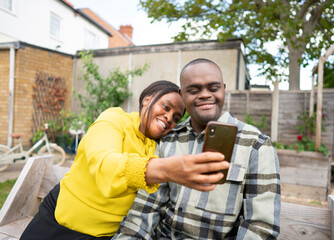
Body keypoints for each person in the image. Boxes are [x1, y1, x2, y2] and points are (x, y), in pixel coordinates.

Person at [20, 80, 230, 240]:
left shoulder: (161, 147)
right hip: (57, 223)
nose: (169, 118)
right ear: (147, 99)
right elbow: (104, 163)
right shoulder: (114, 120)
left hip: (105, 236)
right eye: (166, 107)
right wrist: (164, 169)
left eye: (176, 117)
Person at [113, 59, 281, 239]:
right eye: (193, 91)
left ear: (224, 89)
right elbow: (144, 211)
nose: (204, 95)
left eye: (213, 88)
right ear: (182, 95)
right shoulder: (168, 140)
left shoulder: (256, 145)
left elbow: (261, 228)